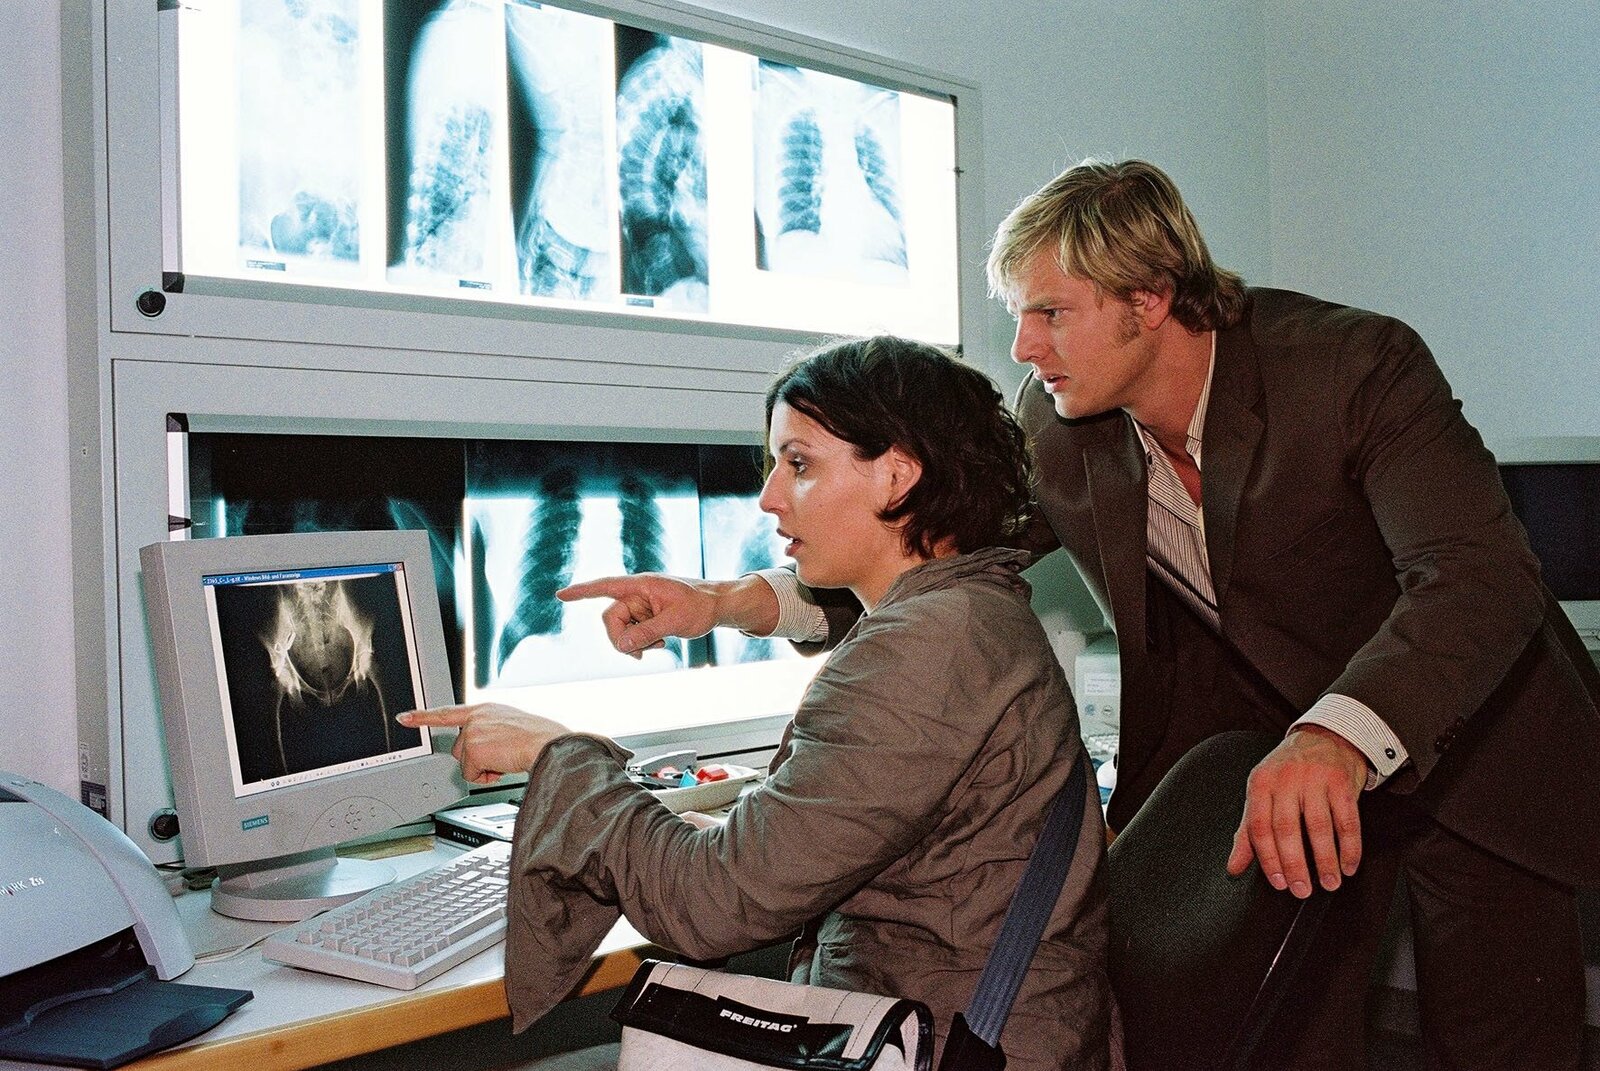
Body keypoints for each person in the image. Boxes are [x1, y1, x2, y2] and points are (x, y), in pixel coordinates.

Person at [567, 160, 1600, 1071]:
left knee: (1496, 1038)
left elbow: (1476, 574)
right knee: (1282, 1038)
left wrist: (1337, 733)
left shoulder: (1351, 368)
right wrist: (729, 603)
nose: (1024, 344)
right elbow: (942, 548)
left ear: (1148, 298)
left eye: (1050, 313)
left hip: (1463, 737)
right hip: (1266, 763)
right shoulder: (1060, 423)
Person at [402, 336, 1113, 1071]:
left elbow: (712, 904)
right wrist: (716, 607)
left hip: (945, 1048)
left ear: (897, 476)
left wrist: (556, 753)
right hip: (932, 1022)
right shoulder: (970, 607)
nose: (769, 497)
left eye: (799, 464)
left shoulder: (926, 646)